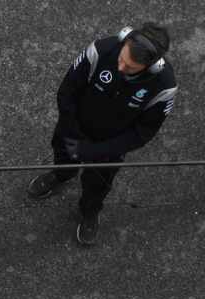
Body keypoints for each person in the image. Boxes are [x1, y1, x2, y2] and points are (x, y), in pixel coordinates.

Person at [27, 23, 178, 245]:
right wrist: (73, 135)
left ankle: (90, 211)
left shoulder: (164, 88)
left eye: (131, 67)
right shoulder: (99, 51)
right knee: (62, 156)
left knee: (98, 185)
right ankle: (62, 174)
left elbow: (141, 134)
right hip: (72, 131)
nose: (121, 68)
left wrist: (95, 151)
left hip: (109, 147)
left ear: (152, 66)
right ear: (125, 40)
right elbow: (67, 93)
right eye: (121, 60)